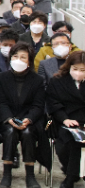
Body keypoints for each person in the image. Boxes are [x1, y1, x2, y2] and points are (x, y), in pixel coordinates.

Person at [0, 42, 46, 188]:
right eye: (15, 56)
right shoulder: (2, 77)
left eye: (23, 57)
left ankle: (30, 174)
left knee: (28, 133)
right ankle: (7, 174)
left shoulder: (37, 80)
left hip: (29, 119)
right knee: (10, 132)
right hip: (7, 118)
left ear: (29, 61)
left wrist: (28, 119)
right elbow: (1, 102)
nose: (18, 60)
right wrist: (9, 119)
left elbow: (38, 105)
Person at [45, 50, 85, 188]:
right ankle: (71, 172)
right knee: (67, 143)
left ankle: (71, 175)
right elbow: (52, 102)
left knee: (79, 143)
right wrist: (65, 119)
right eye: (75, 69)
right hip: (64, 120)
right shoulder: (57, 81)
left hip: (84, 121)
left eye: (83, 70)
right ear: (69, 67)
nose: (78, 73)